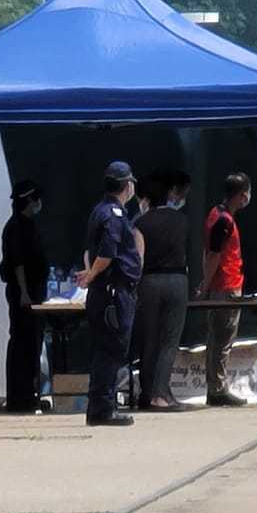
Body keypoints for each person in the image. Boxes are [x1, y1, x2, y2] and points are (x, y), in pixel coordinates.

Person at [77, 162, 143, 427]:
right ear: (127, 185)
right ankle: (103, 409)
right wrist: (92, 274)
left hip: (105, 291)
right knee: (112, 349)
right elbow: (107, 252)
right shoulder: (114, 214)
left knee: (107, 349)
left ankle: (101, 406)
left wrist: (91, 274)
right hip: (113, 293)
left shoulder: (100, 211)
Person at [132, 171, 193, 411]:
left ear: (146, 199)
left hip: (149, 281)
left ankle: (148, 393)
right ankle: (160, 393)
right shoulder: (182, 220)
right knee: (169, 341)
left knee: (149, 340)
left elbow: (138, 258)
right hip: (177, 279)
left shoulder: (140, 222)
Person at [199, 173, 252, 407]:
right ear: (241, 195)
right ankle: (218, 389)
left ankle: (216, 387)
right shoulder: (224, 220)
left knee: (217, 340)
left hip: (223, 286)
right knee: (222, 340)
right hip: (226, 287)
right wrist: (206, 286)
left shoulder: (217, 214)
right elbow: (213, 256)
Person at [0, 180, 49, 413]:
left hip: (33, 291)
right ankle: (20, 397)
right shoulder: (17, 227)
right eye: (35, 198)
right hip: (24, 294)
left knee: (32, 343)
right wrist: (24, 292)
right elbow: (17, 262)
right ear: (28, 201)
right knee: (23, 342)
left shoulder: (28, 225)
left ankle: (29, 394)